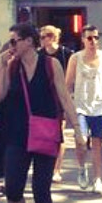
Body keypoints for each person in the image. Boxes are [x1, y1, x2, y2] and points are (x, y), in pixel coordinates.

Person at [0, 22, 78, 203]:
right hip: (17, 134)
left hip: (45, 132)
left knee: (42, 188)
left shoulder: (50, 64)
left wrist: (78, 131)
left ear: (29, 41)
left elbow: (64, 97)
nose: (10, 46)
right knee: (12, 188)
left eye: (14, 41)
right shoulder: (11, 66)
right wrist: (1, 66)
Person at [65, 25, 102, 194]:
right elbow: (68, 83)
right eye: (89, 38)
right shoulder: (75, 58)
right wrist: (66, 106)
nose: (93, 41)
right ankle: (82, 169)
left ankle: (98, 179)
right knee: (81, 141)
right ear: (83, 40)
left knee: (97, 144)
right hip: (80, 107)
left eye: (96, 37)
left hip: (100, 107)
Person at [38, 25, 74, 182]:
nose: (41, 40)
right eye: (40, 37)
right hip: (43, 97)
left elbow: (72, 76)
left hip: (60, 98)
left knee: (59, 134)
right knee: (43, 133)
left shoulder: (66, 54)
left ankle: (56, 169)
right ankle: (44, 166)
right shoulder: (39, 54)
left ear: (53, 37)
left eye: (44, 36)